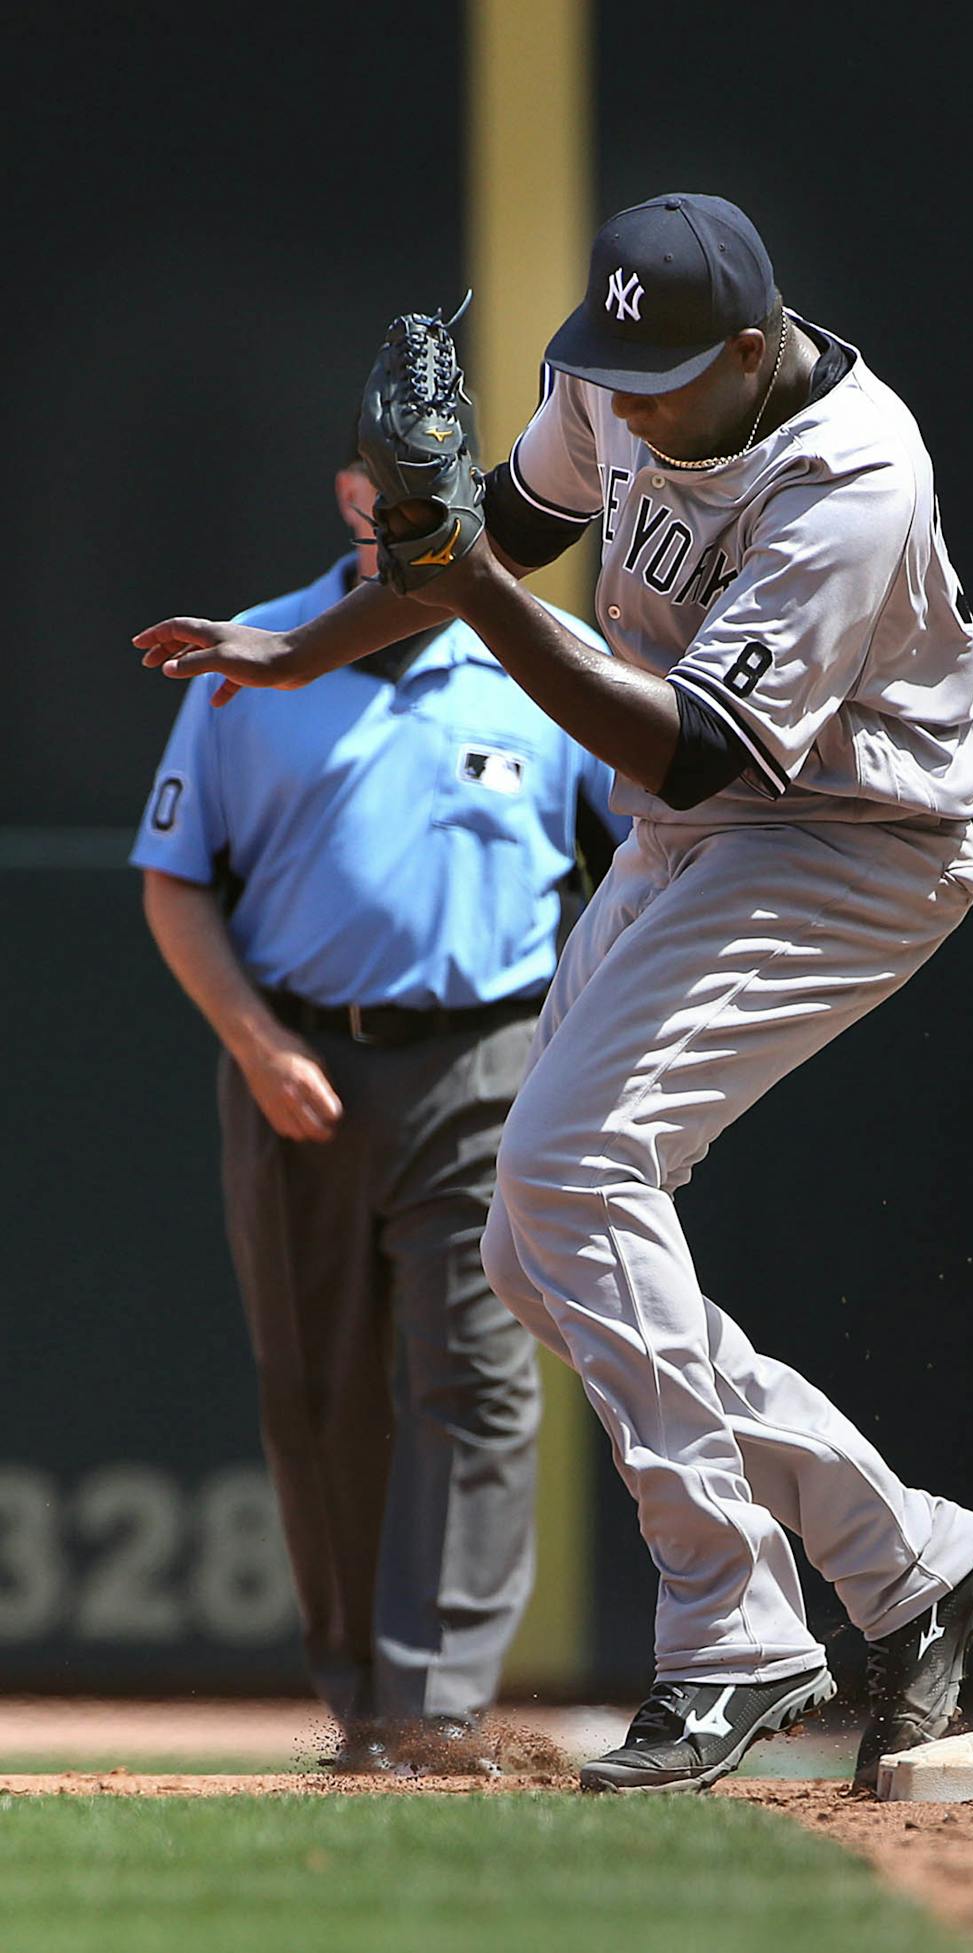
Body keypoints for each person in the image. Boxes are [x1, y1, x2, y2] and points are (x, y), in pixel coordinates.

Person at [135, 193, 973, 1794]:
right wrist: (308, 650)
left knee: (568, 1167)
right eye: (605, 357)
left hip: (850, 839)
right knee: (531, 1250)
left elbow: (680, 735)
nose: (624, 394)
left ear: (753, 353)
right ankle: (908, 1559)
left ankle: (734, 1627)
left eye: (664, 371)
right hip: (698, 834)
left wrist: (467, 578)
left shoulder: (854, 473)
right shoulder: (618, 376)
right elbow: (499, 537)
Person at [133, 453, 624, 1773]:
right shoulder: (258, 661)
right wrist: (254, 1040)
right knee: (317, 1390)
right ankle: (364, 1702)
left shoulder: (554, 665)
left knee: (477, 1379)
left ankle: (435, 1708)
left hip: (490, 1061)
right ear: (354, 488)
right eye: (399, 474)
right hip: (299, 1063)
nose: (418, 498)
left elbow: (648, 860)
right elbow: (177, 881)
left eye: (456, 474)